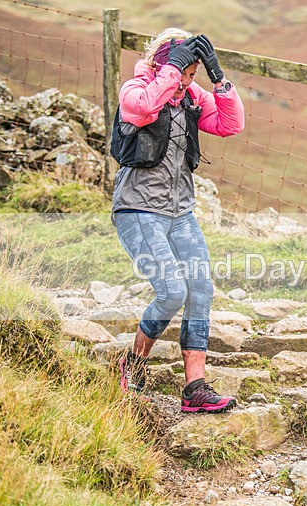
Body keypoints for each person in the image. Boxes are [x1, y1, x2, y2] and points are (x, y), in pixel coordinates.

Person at [110, 28, 244, 413]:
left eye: (192, 73)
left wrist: (218, 78)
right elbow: (141, 109)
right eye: (185, 71)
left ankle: (194, 389)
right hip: (138, 209)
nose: (187, 80)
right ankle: (133, 365)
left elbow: (230, 124)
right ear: (164, 64)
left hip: (180, 212)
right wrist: (173, 70)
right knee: (171, 292)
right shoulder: (137, 88)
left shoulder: (192, 96)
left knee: (200, 289)